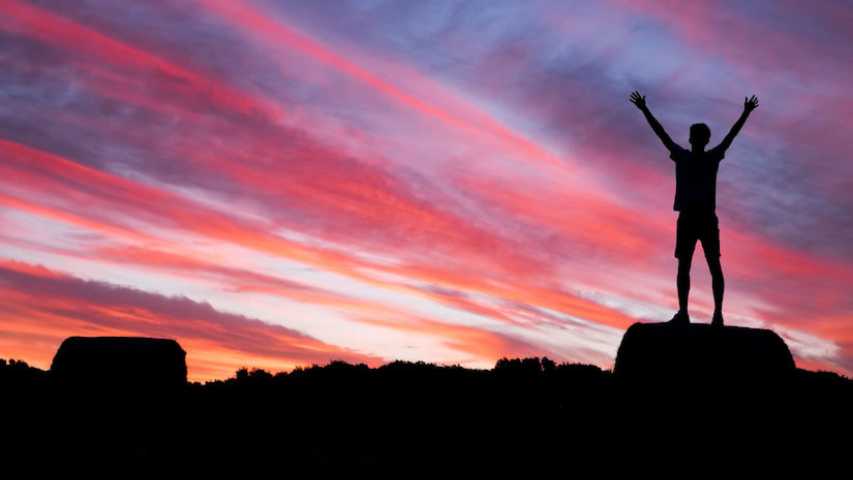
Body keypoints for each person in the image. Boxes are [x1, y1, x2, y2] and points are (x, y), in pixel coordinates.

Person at [629, 91, 759, 326]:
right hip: (689, 217)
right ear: (693, 138)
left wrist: (746, 113)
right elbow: (661, 134)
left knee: (711, 265)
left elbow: (731, 135)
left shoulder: (708, 157)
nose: (696, 138)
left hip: (704, 218)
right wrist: (644, 109)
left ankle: (716, 313)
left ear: (699, 139)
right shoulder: (686, 157)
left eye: (698, 135)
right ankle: (685, 312)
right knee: (687, 266)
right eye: (695, 135)